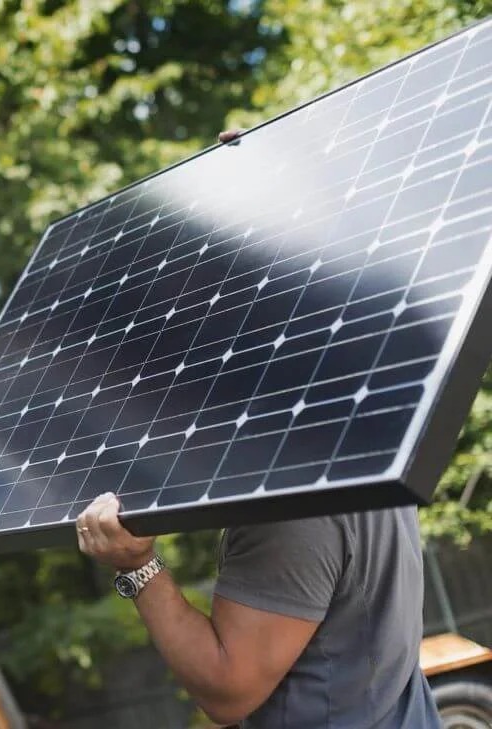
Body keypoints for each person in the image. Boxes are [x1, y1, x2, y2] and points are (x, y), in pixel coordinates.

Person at [73, 128, 443, 729]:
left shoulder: (289, 499)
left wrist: (136, 567)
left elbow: (229, 688)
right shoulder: (362, 438)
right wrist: (257, 176)